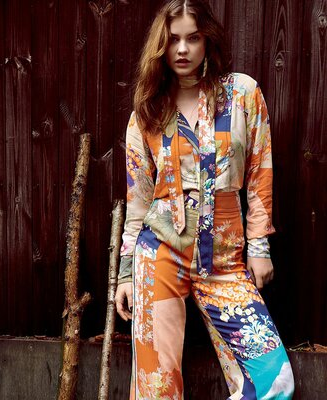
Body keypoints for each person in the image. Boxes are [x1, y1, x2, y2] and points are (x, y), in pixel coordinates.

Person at [113, 1, 295, 399]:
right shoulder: (146, 112)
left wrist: (260, 247)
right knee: (155, 391)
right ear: (160, 46)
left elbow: (259, 171)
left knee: (276, 383)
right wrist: (125, 274)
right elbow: (138, 201)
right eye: (172, 39)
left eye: (192, 38)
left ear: (206, 39)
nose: (182, 49)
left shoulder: (242, 93)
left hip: (225, 262)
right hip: (159, 253)